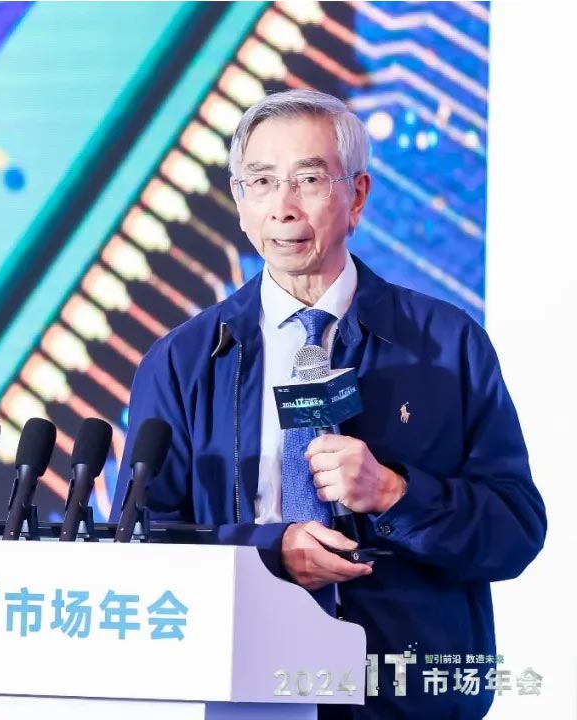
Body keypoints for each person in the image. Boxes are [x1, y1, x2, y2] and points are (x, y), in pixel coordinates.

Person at [113, 89, 546, 719]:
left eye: (309, 179)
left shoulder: (448, 345)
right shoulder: (182, 361)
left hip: (405, 695)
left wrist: (396, 493)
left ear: (358, 196)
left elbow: (515, 531)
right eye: (261, 182)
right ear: (239, 203)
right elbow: (140, 542)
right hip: (243, 689)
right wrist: (271, 551)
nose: (283, 207)